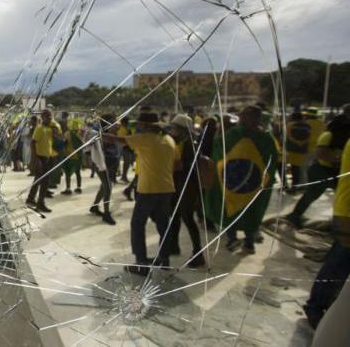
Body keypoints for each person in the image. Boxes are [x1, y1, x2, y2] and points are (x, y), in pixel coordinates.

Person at [105, 112, 176, 274]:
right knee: (163, 225)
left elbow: (117, 140)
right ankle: (164, 259)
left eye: (139, 124)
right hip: (167, 189)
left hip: (149, 189)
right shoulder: (169, 140)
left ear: (145, 125)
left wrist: (95, 134)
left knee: (137, 225)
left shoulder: (145, 138)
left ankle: (142, 264)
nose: (137, 126)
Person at [205, 105, 278, 254]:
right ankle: (248, 242)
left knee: (231, 209)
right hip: (252, 184)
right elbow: (271, 162)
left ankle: (235, 240)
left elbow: (218, 152)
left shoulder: (231, 135)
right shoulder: (266, 139)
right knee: (250, 211)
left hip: (232, 182)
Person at [303, 137, 350, 330]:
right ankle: (316, 307)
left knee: (340, 261)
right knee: (339, 263)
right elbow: (322, 152)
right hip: (347, 212)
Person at [286, 106, 350, 228]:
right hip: (322, 170)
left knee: (343, 199)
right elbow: (321, 153)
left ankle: (341, 224)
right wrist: (339, 161)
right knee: (312, 194)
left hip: (338, 171)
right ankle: (294, 216)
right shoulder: (330, 134)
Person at [166, 114, 205, 267]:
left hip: (187, 186)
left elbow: (187, 166)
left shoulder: (190, 144)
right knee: (175, 215)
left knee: (188, 219)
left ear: (182, 129)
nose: (172, 130)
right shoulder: (182, 141)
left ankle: (198, 253)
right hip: (179, 185)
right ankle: (174, 246)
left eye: (174, 127)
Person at [25, 109, 58, 213]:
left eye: (50, 117)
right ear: (42, 117)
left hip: (47, 157)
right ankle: (40, 203)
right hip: (41, 158)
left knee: (39, 180)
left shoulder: (49, 129)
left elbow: (53, 139)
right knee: (43, 182)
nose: (49, 118)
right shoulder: (39, 128)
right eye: (47, 116)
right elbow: (33, 143)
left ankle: (31, 199)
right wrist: (36, 160)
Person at [84, 121, 116, 225]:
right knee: (108, 187)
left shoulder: (99, 132)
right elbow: (87, 147)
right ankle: (106, 213)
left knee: (104, 186)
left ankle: (94, 206)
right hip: (100, 163)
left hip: (105, 162)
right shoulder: (94, 132)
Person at [284, 112, 311, 192]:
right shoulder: (308, 126)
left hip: (291, 150)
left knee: (285, 167)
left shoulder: (290, 125)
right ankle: (295, 187)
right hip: (302, 150)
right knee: (296, 169)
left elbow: (285, 137)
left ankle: (288, 186)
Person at [61, 118, 83, 195]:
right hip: (78, 157)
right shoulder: (80, 134)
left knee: (67, 173)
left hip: (69, 156)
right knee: (78, 172)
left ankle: (68, 188)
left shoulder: (67, 133)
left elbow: (64, 143)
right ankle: (79, 187)